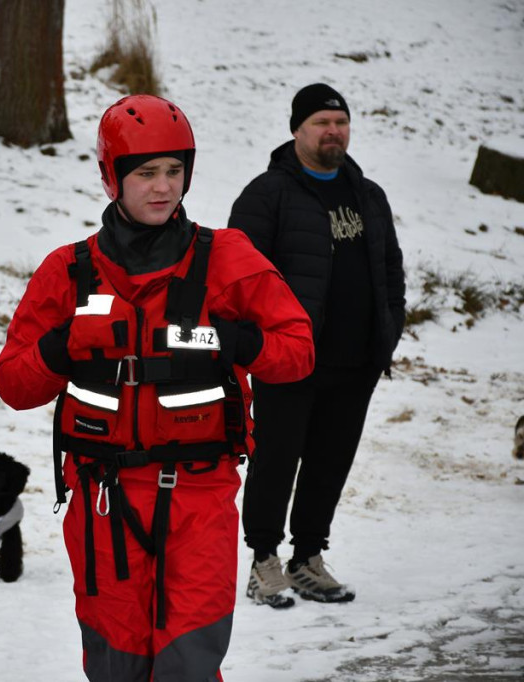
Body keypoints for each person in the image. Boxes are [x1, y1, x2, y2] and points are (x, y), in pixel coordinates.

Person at [0, 94, 314, 682]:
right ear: (111, 177)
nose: (163, 187)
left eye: (175, 171)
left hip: (199, 499)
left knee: (189, 663)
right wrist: (58, 349)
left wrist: (246, 345)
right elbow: (13, 383)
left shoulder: (228, 260)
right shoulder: (67, 270)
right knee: (117, 665)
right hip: (102, 500)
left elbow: (298, 353)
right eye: (145, 173)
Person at [229, 83, 406, 609]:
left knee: (330, 462)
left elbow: (389, 269)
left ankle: (307, 557)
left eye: (341, 122)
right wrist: (257, 344)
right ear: (296, 130)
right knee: (277, 462)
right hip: (289, 362)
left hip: (356, 361)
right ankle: (264, 561)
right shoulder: (267, 194)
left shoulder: (368, 194)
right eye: (321, 122)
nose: (333, 131)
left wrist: (388, 329)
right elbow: (239, 276)